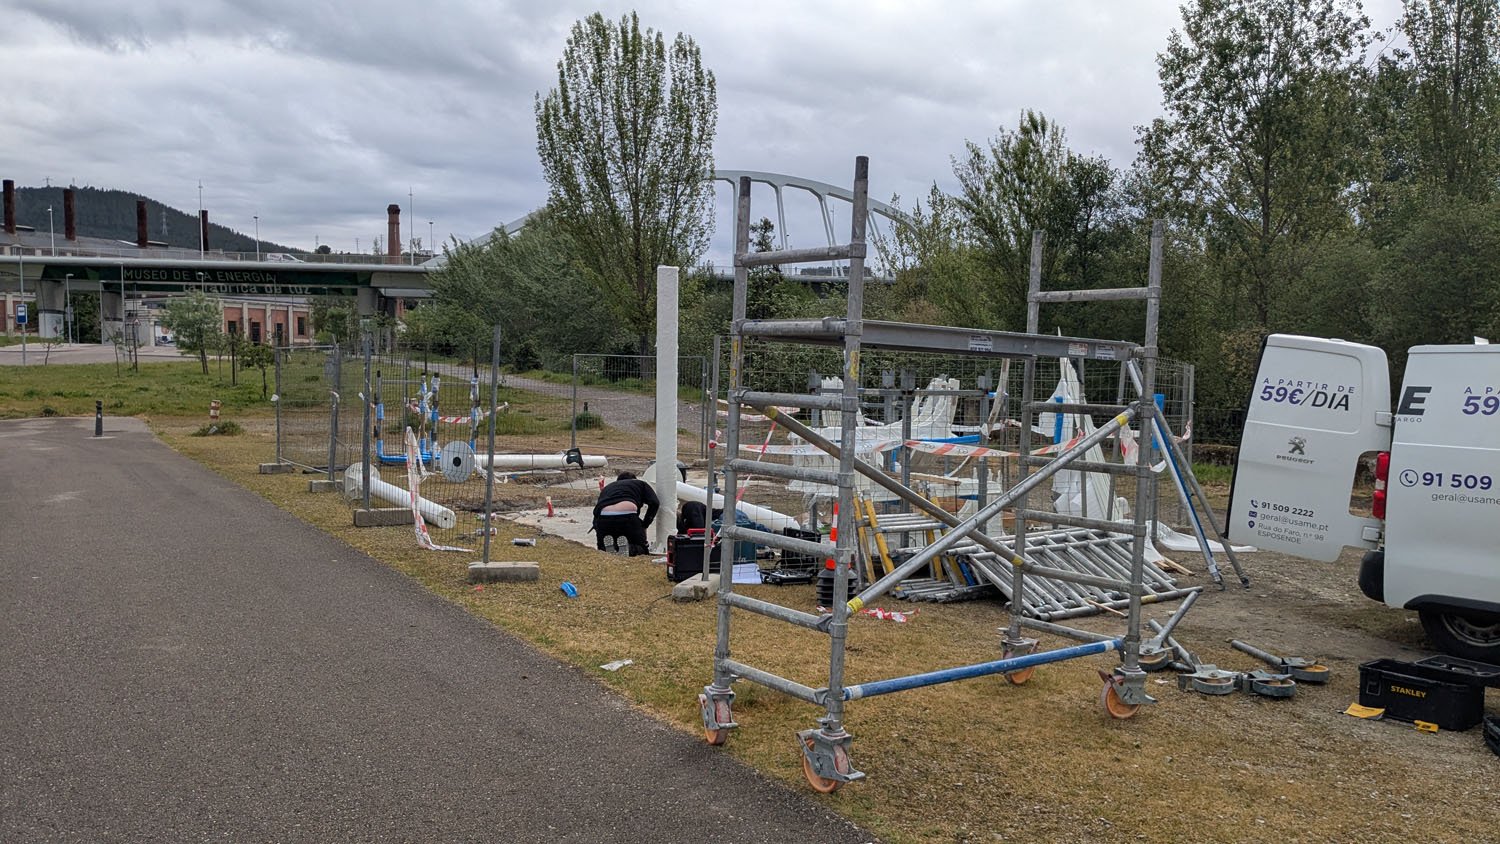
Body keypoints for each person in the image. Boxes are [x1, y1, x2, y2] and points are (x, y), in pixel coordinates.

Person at [592, 471, 659, 556]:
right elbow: (654, 503)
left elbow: (597, 510)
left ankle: (608, 549)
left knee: (602, 548)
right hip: (628, 513)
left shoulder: (608, 487)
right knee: (640, 547)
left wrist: (597, 527)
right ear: (634, 479)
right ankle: (629, 549)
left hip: (604, 515)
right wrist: (645, 525)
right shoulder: (640, 484)